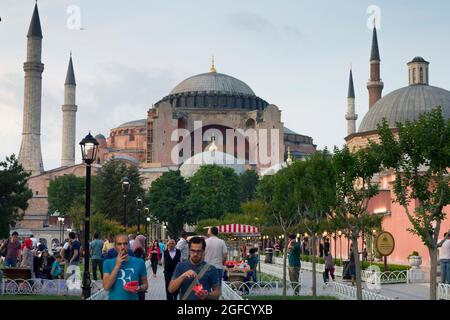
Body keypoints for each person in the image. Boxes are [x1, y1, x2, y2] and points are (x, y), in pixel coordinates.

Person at [169, 236, 221, 300]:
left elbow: (217, 293)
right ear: (189, 250)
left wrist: (207, 295)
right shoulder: (181, 266)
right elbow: (171, 289)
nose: (195, 254)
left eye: (199, 251)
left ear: (203, 251)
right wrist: (183, 275)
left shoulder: (211, 269)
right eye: (193, 250)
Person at [103, 234, 148, 300]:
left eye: (125, 243)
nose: (123, 247)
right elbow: (106, 287)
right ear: (115, 247)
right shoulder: (107, 263)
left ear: (129, 245)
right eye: (119, 244)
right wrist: (117, 266)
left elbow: (145, 285)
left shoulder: (139, 262)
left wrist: (139, 288)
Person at [133, 235, 147, 300]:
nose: (144, 241)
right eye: (143, 240)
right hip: (138, 270)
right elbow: (139, 259)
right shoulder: (138, 248)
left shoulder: (138, 247)